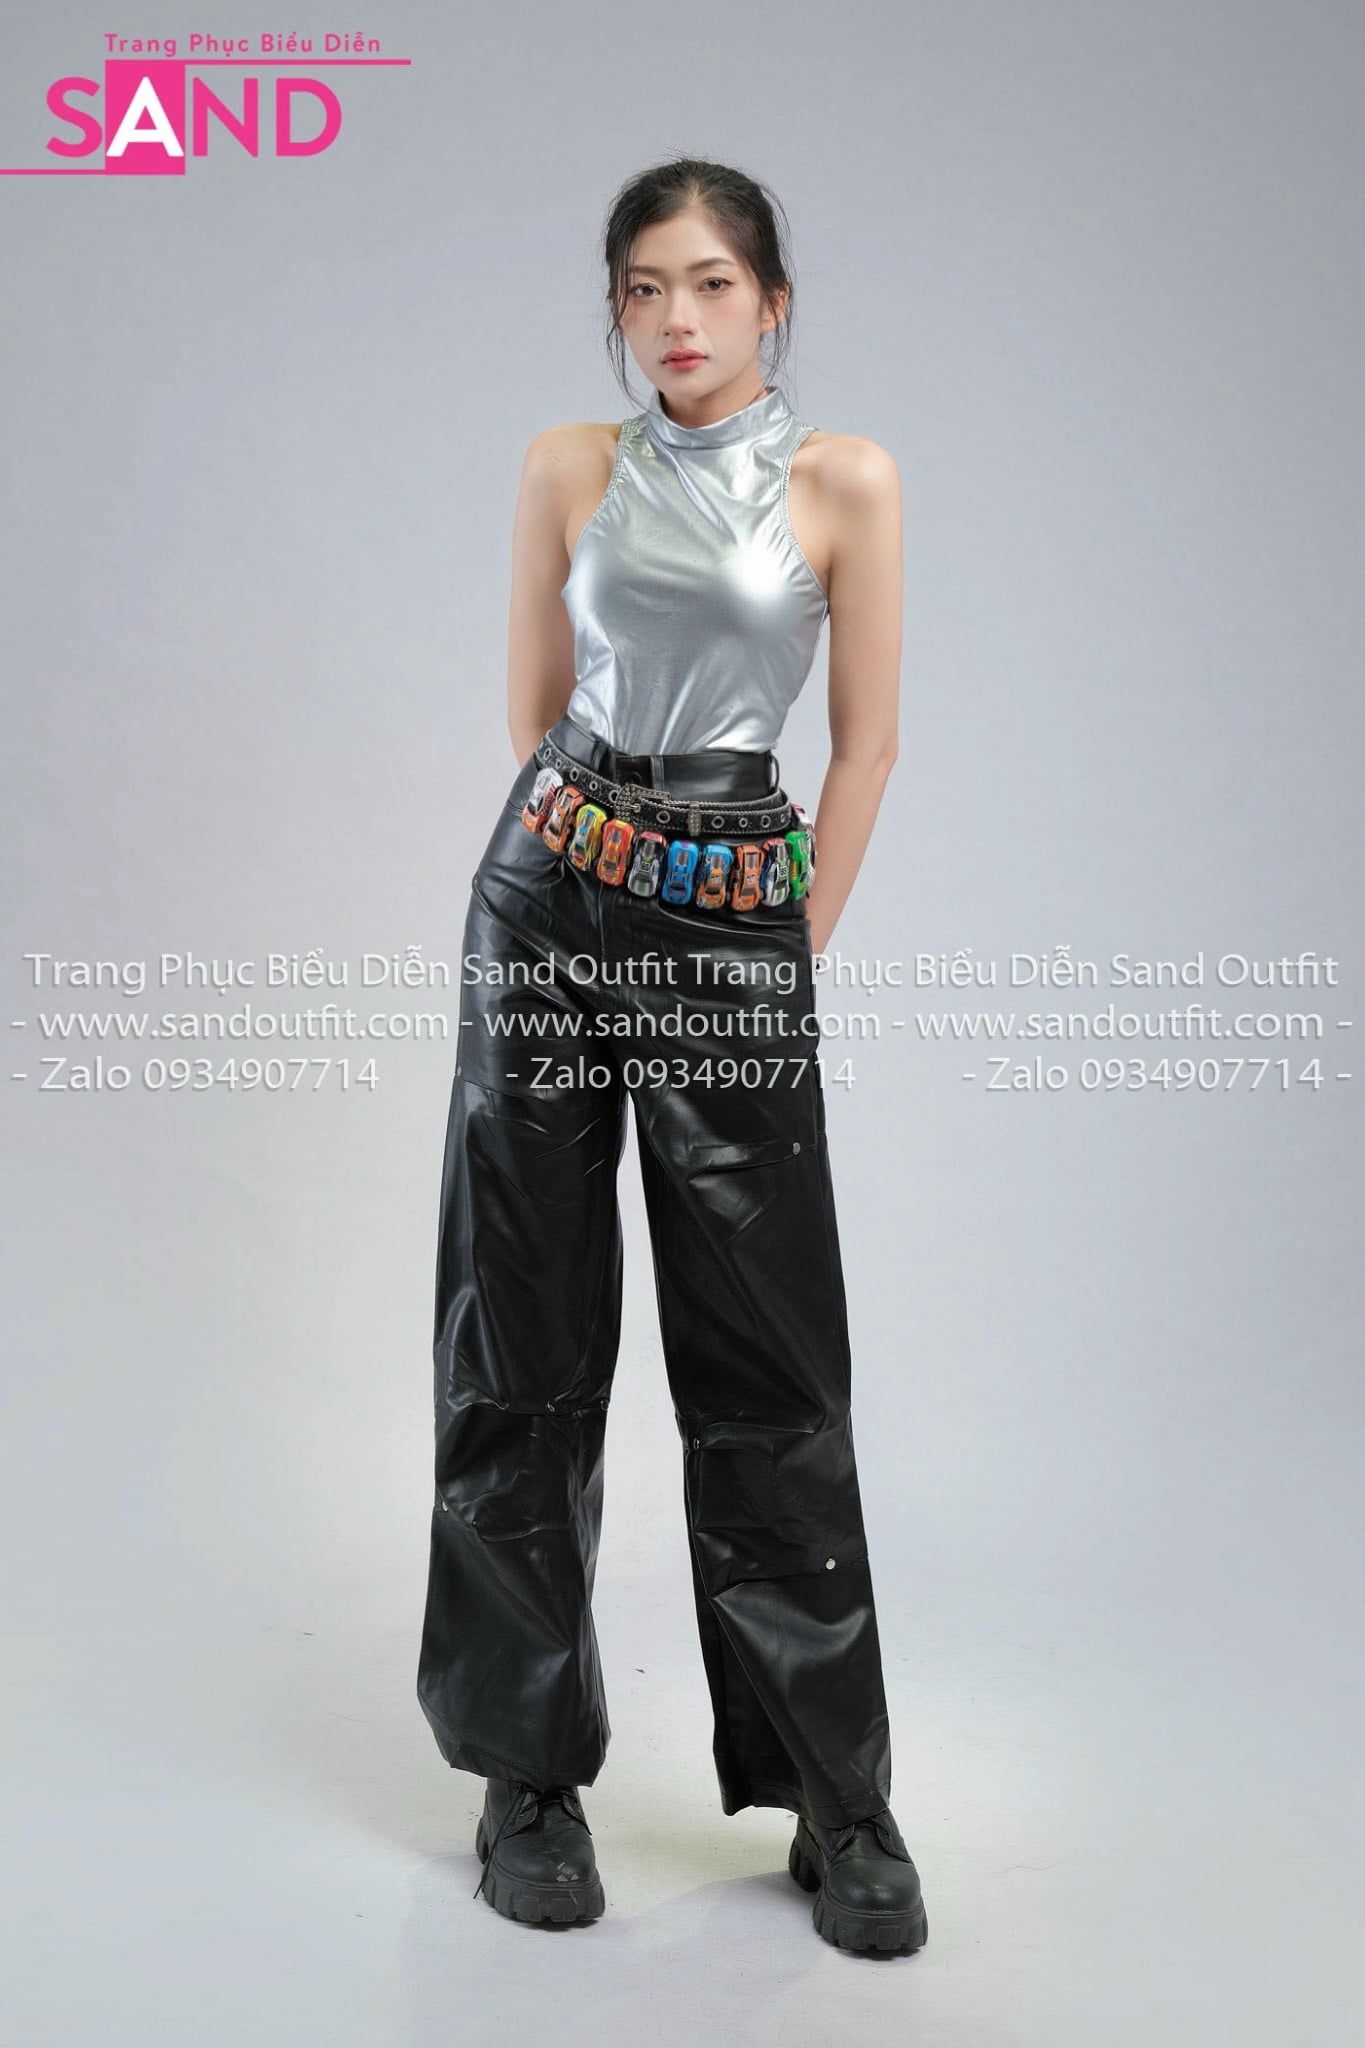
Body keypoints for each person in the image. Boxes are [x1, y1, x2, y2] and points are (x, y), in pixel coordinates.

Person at [416, 155, 928, 1958]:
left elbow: (865, 745)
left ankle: (835, 1798)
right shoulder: (569, 463)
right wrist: (575, 851)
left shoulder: (845, 483)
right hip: (549, 889)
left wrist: (785, 943)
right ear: (617, 310)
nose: (676, 319)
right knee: (519, 1335)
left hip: (732, 905)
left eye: (710, 283)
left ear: (770, 299)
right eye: (643, 288)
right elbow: (529, 701)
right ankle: (522, 1773)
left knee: (768, 1359)